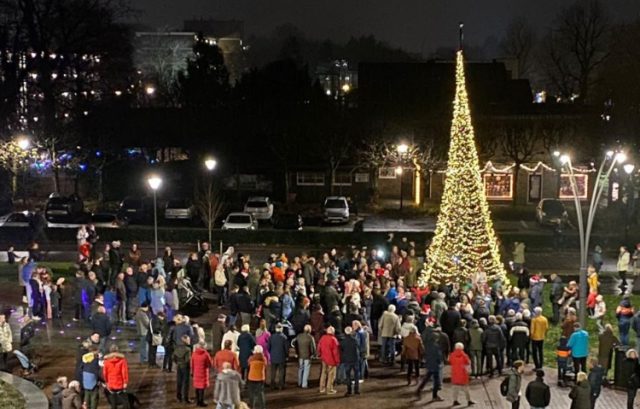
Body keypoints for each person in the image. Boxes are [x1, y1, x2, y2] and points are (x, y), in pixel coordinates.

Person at [416, 324, 444, 402]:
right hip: (436, 365)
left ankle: (419, 389)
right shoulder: (436, 347)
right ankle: (434, 396)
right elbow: (439, 356)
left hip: (429, 363)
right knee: (437, 382)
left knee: (427, 378)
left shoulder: (428, 345)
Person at [102, 344, 129, 409]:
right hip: (120, 383)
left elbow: (105, 373)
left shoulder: (106, 361)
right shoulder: (122, 361)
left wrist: (106, 382)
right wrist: (125, 382)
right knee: (125, 400)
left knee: (113, 401)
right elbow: (124, 372)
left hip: (110, 383)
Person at [449, 342, 474, 406]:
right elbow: (468, 365)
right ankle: (469, 400)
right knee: (466, 389)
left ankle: (455, 400)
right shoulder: (465, 356)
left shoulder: (452, 355)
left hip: (455, 374)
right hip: (463, 375)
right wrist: (469, 372)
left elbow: (450, 362)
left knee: (455, 389)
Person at [318, 326, 340, 395]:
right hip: (331, 360)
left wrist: (319, 354)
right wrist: (337, 361)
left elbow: (319, 347)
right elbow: (336, 352)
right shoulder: (334, 340)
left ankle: (321, 388)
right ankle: (329, 389)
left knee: (323, 373)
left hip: (324, 358)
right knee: (331, 375)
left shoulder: (323, 338)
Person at [340, 326, 361, 396]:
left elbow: (341, 350)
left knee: (348, 376)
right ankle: (356, 390)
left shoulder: (343, 342)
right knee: (356, 376)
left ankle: (349, 390)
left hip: (347, 360)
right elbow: (359, 348)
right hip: (355, 359)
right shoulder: (355, 340)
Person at [293, 324, 316, 389]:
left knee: (300, 368)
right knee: (306, 369)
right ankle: (304, 384)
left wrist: (296, 353)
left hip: (300, 355)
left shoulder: (299, 336)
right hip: (307, 356)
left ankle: (299, 382)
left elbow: (295, 345)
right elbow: (313, 347)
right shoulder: (310, 337)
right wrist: (313, 354)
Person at [267, 323, 289, 390]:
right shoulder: (284, 337)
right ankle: (281, 385)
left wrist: (271, 353)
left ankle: (272, 385)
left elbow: (268, 347)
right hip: (282, 357)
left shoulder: (271, 337)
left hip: (273, 356)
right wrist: (286, 355)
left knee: (273, 371)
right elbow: (286, 348)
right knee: (281, 371)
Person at [191, 341, 213, 407]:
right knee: (202, 388)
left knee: (197, 387)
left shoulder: (194, 354)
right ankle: (201, 401)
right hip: (203, 372)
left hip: (196, 372)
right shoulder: (206, 354)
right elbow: (209, 363)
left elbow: (192, 364)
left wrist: (192, 372)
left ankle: (197, 401)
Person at [173, 334, 192, 403]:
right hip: (185, 367)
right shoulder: (188, 349)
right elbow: (188, 360)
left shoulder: (177, 348)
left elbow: (174, 357)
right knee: (186, 383)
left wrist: (178, 363)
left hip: (179, 366)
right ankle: (185, 398)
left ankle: (179, 397)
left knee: (179, 382)